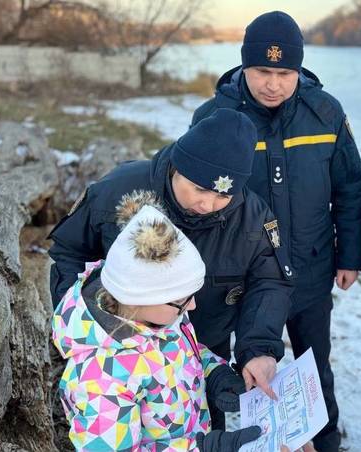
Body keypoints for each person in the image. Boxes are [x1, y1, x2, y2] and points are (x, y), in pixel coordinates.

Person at [48, 108, 294, 429]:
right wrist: (90, 331)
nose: (207, 204)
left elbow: (270, 283)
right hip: (121, 347)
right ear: (178, 167)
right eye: (199, 189)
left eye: (223, 195)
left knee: (203, 424)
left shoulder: (253, 218)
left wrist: (259, 351)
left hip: (202, 346)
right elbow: (69, 253)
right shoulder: (117, 190)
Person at [191, 11, 361, 451]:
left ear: (298, 69)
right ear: (244, 67)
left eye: (284, 73)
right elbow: (191, 196)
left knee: (314, 367)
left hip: (309, 265)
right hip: (235, 275)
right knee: (228, 369)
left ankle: (324, 442)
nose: (273, 84)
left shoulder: (325, 113)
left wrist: (350, 254)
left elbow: (349, 186)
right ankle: (236, 441)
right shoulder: (213, 116)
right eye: (262, 71)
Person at [52, 202, 262, 451]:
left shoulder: (161, 316)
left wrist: (214, 372)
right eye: (183, 300)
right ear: (141, 298)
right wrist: (203, 448)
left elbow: (182, 352)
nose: (192, 306)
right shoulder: (101, 382)